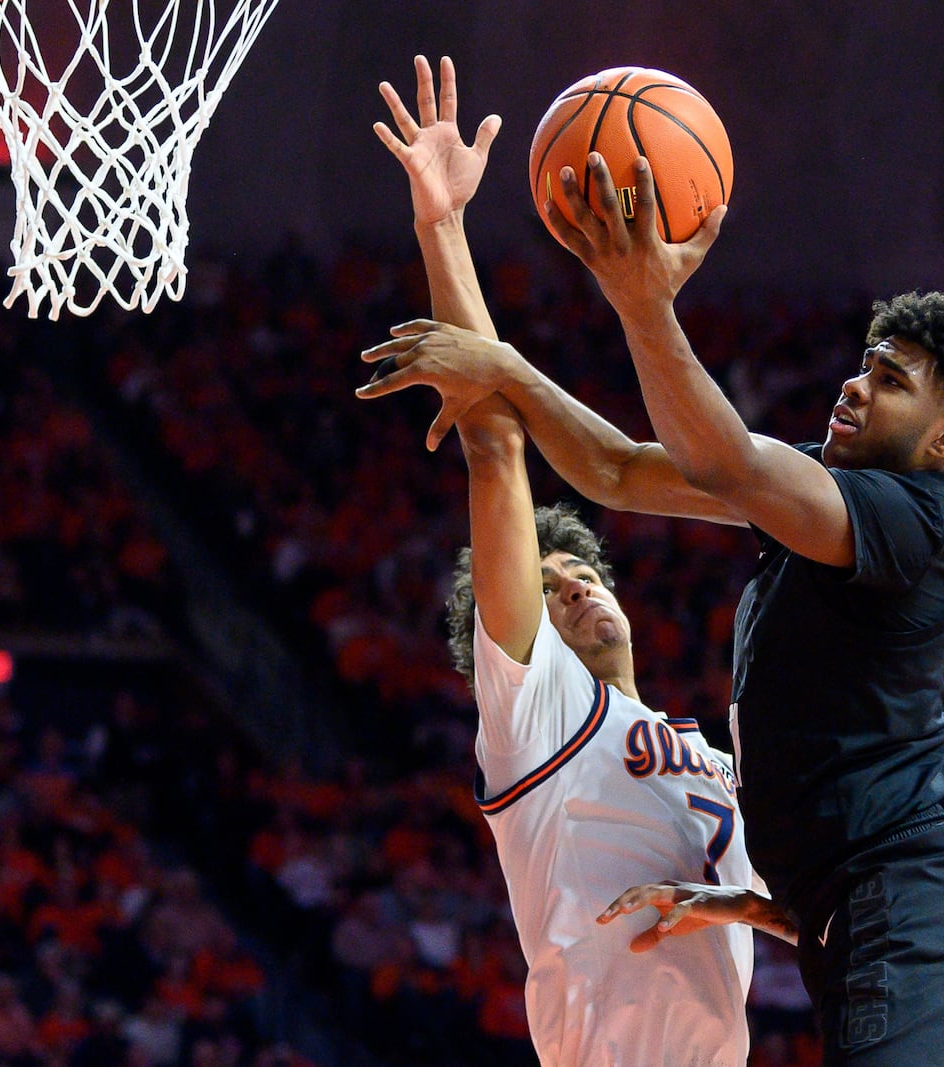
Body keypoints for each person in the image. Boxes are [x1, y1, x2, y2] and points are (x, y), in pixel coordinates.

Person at [359, 108, 944, 1065]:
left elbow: (717, 458)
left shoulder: (923, 517)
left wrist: (636, 308)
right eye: (863, 364)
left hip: (909, 896)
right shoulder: (561, 704)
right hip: (860, 914)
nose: (853, 384)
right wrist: (755, 903)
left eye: (889, 380)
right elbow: (615, 471)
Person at [361, 56, 772, 1067]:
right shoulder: (535, 705)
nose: (578, 582)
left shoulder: (711, 750)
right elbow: (494, 441)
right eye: (547, 588)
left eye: (581, 570)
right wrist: (441, 222)